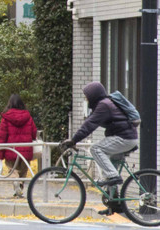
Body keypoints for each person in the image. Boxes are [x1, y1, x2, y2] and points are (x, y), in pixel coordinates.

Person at [59, 81, 138, 213]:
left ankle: (113, 177)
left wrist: (74, 140)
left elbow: (89, 125)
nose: (86, 99)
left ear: (94, 96)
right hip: (126, 137)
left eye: (87, 96)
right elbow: (89, 122)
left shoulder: (104, 105)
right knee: (111, 166)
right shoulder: (103, 105)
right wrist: (74, 139)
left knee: (96, 149)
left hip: (125, 138)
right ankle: (114, 204)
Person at [0, 94, 38, 197]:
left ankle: (16, 182)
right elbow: (34, 132)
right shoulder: (28, 116)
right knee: (23, 171)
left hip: (11, 149)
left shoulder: (6, 117)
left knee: (12, 169)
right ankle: (20, 185)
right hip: (26, 149)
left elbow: (2, 137)